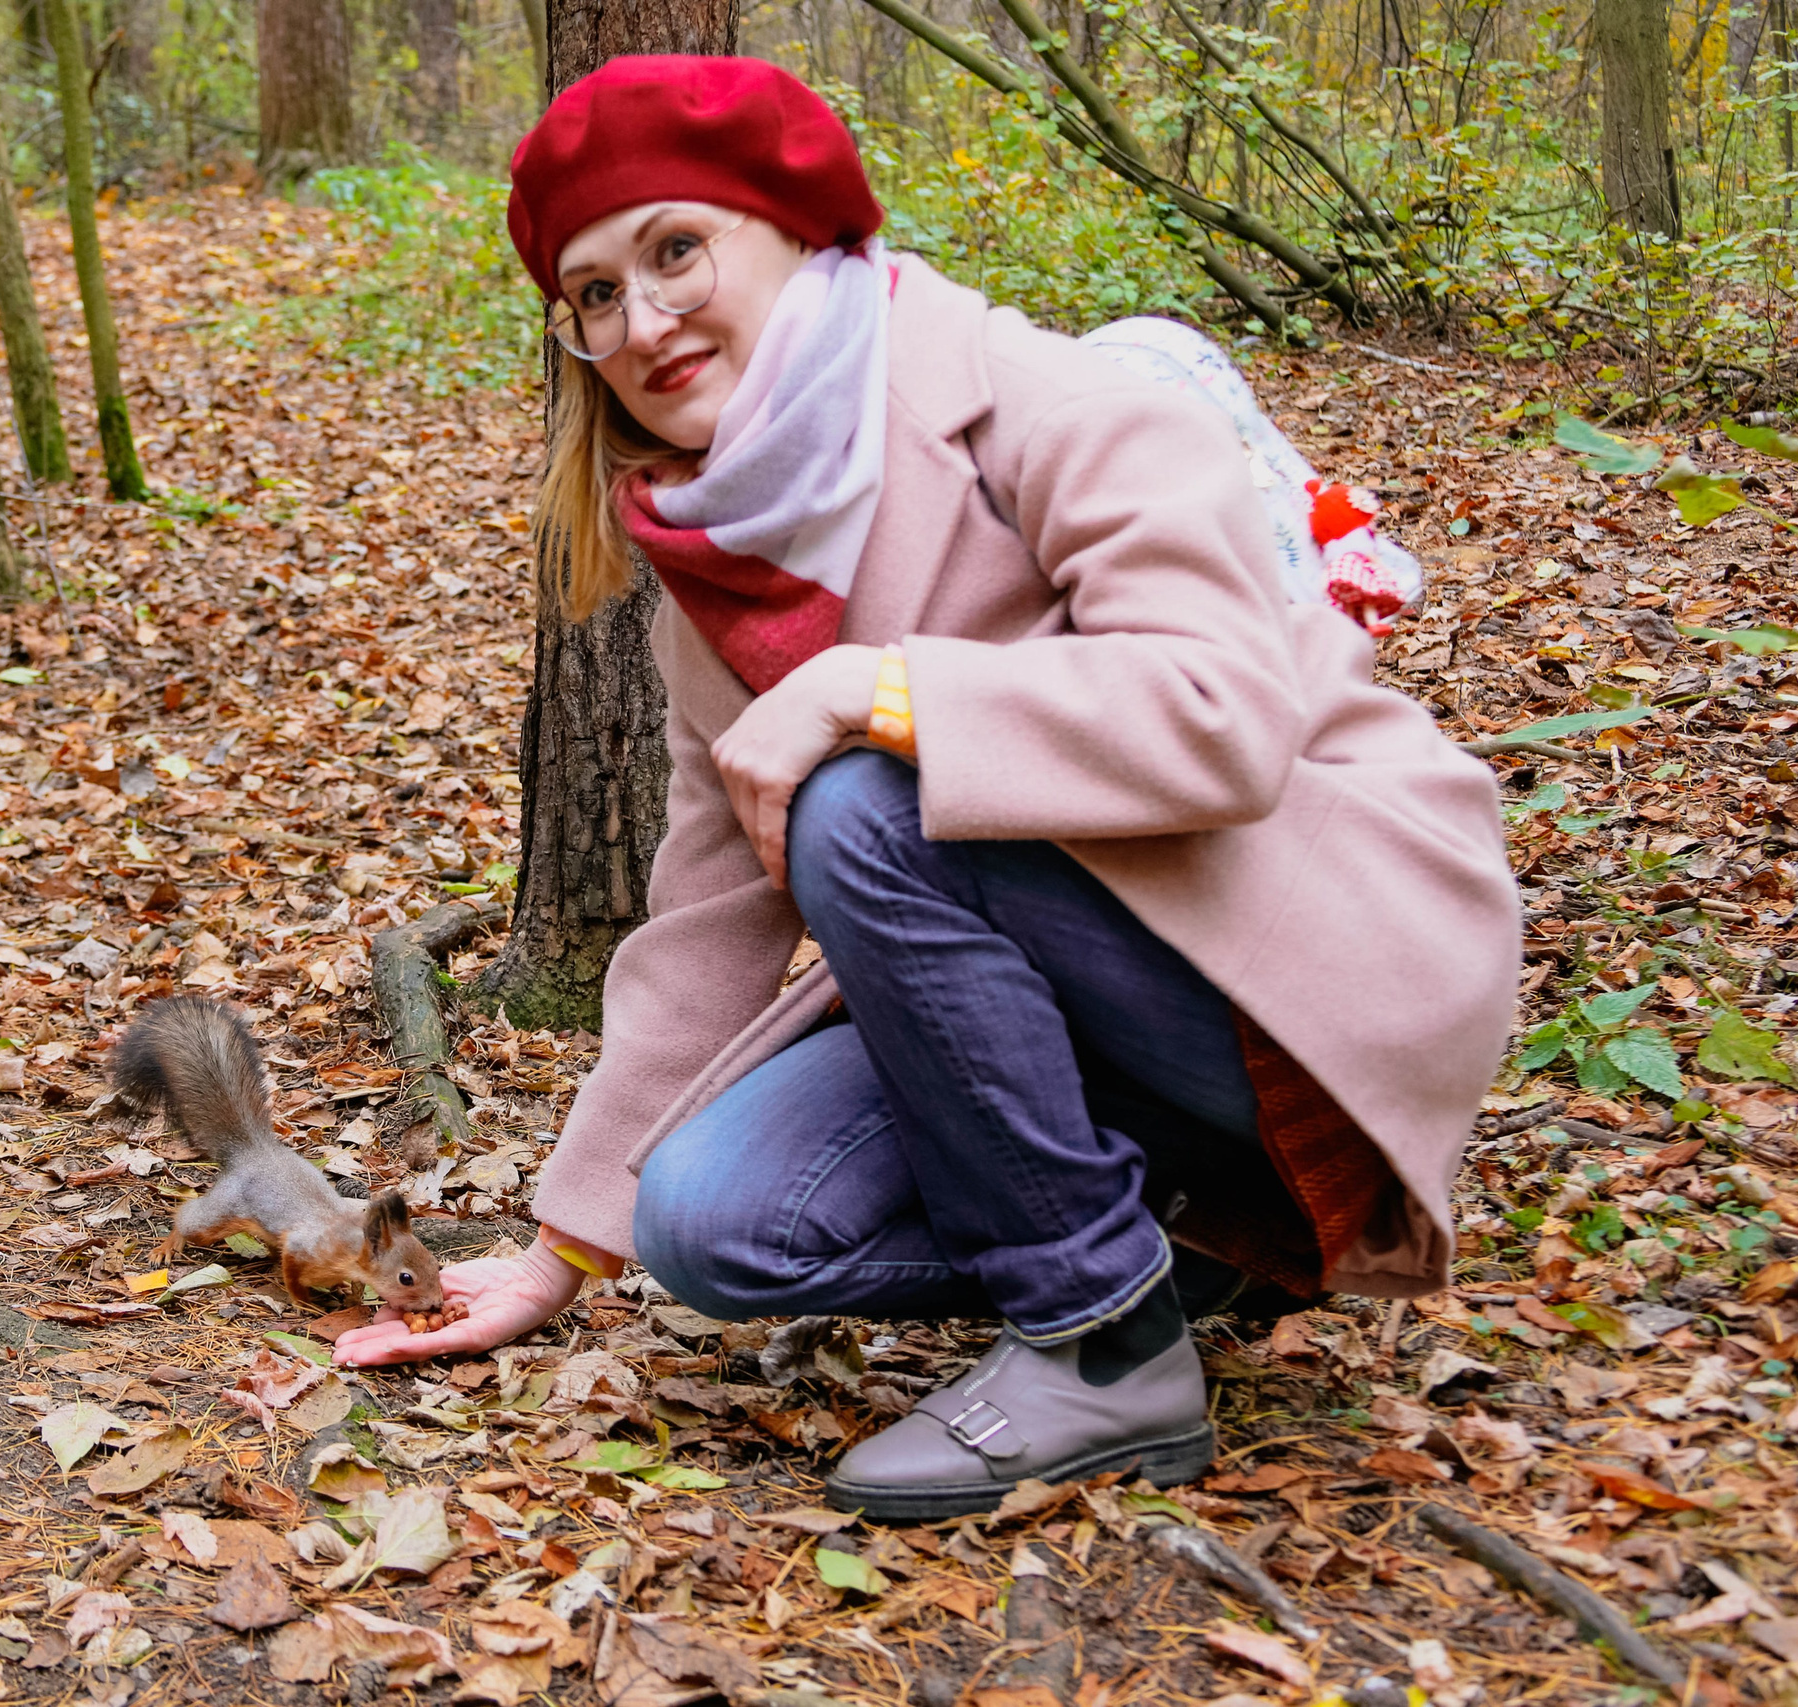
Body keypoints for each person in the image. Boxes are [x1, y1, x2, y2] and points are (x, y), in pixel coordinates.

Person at [334, 55, 1521, 1522]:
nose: (640, 320)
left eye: (675, 251)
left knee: (855, 798)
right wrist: (562, 1251)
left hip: (1315, 951)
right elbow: (708, 918)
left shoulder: (1044, 399)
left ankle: (1096, 1343)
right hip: (1078, 1001)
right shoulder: (709, 569)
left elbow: (1224, 721)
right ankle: (1181, 1251)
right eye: (591, 292)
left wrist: (871, 690)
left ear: (796, 227)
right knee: (709, 1223)